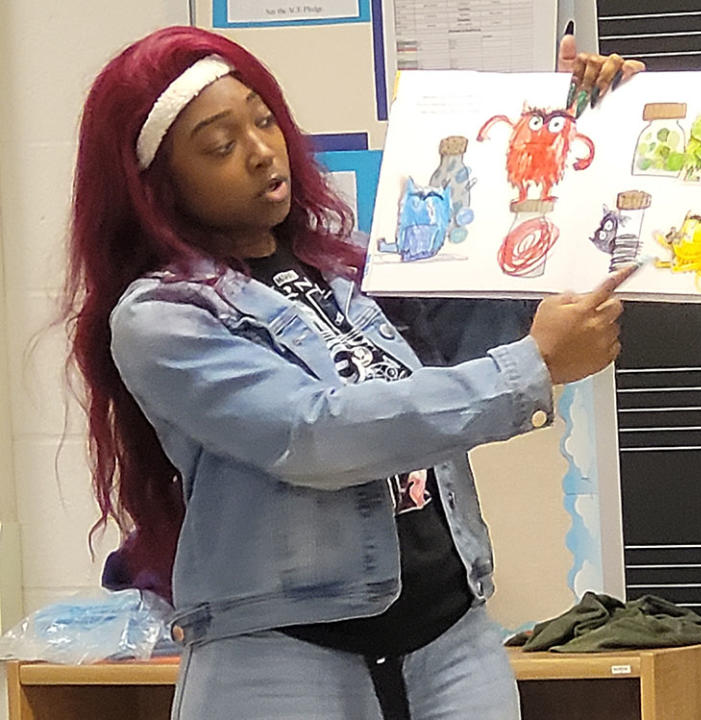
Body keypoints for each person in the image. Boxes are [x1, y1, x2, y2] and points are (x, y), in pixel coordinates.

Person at [64, 25, 643, 720]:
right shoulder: (161, 318)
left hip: (450, 641)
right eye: (219, 146)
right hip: (283, 658)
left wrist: (574, 122)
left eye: (264, 119)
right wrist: (532, 368)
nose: (259, 151)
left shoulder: (352, 269)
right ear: (156, 185)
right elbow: (313, 434)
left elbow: (499, 317)